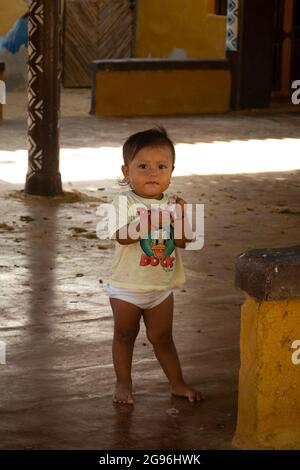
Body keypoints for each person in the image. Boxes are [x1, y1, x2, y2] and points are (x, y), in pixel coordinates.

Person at [105, 127, 204, 405]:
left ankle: (177, 383)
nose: (153, 173)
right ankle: (123, 383)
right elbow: (122, 236)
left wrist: (181, 216)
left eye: (161, 166)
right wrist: (150, 221)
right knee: (124, 335)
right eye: (143, 166)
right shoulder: (123, 202)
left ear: (172, 171)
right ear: (126, 172)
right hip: (127, 287)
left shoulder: (174, 204)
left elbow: (184, 241)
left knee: (163, 338)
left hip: (161, 287)